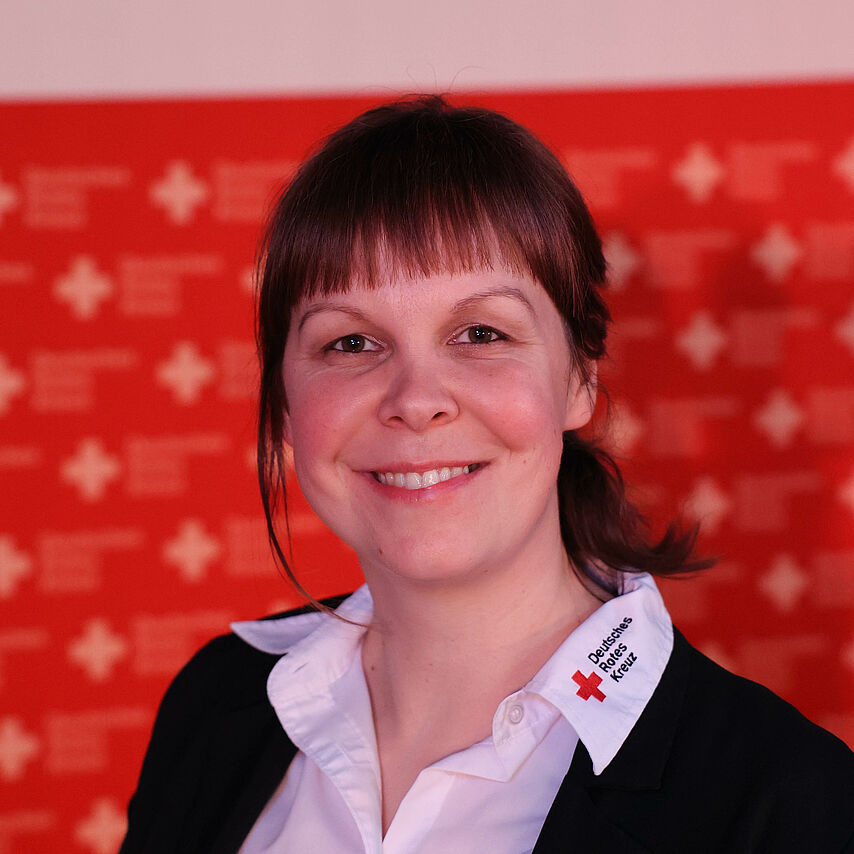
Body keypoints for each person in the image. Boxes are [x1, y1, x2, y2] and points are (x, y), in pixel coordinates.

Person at [119, 95, 854, 854]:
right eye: (350, 343)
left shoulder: (786, 800)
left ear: (579, 379)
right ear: (282, 399)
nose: (415, 401)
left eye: (480, 333)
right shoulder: (215, 706)